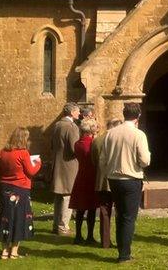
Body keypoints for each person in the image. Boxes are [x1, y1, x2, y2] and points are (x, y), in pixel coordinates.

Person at [101, 103, 151, 263]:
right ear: (138, 116)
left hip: (114, 179)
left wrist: (109, 170)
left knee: (120, 214)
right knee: (129, 217)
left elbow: (102, 159)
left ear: (124, 114)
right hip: (131, 179)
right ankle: (124, 254)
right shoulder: (139, 134)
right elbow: (145, 160)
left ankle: (122, 249)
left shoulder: (110, 133)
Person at [0, 127, 42, 260]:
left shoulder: (2, 152)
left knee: (5, 218)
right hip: (21, 189)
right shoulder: (23, 153)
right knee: (19, 219)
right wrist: (38, 163)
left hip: (4, 189)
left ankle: (4, 251)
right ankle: (13, 252)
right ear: (23, 139)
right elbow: (31, 171)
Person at [50, 102, 80, 235]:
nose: (79, 113)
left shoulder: (57, 125)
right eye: (77, 111)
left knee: (58, 196)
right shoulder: (71, 127)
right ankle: (63, 226)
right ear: (72, 112)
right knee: (67, 195)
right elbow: (75, 148)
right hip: (69, 165)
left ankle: (56, 224)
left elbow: (52, 145)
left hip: (57, 163)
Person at [92, 118, 122, 249]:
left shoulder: (97, 140)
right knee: (121, 210)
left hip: (102, 180)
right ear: (115, 127)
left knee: (104, 211)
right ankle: (122, 242)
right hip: (117, 178)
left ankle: (105, 242)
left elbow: (93, 161)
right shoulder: (118, 140)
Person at [69, 118, 99, 245]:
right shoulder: (93, 143)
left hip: (81, 176)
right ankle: (90, 236)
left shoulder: (77, 144)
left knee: (81, 208)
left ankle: (78, 235)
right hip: (91, 176)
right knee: (91, 208)